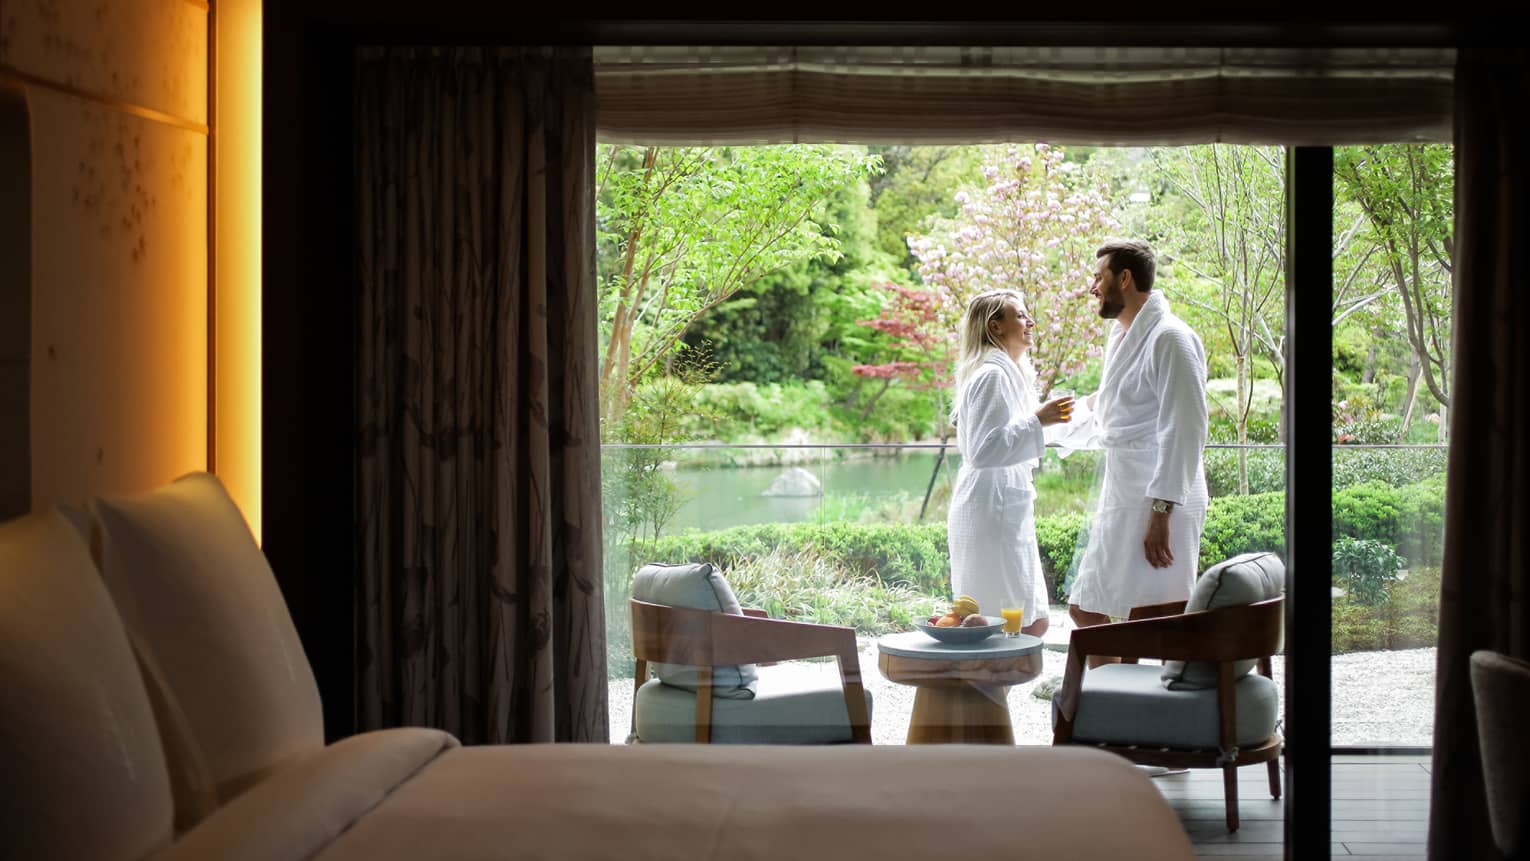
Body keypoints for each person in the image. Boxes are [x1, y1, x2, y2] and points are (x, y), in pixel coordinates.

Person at [1058, 239, 1210, 662]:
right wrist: (1048, 420)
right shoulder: (1122, 335)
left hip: (1162, 495)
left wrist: (1161, 511)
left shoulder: (1171, 338)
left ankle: (1161, 700)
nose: (1092, 287)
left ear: (1124, 279)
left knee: (1155, 615)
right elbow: (1114, 406)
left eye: (1098, 277)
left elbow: (1186, 427)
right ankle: (1110, 698)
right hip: (1127, 488)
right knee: (1090, 607)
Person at [947, 289, 1074, 637]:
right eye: (1019, 315)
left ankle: (989, 690)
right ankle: (983, 689)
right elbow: (984, 450)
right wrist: (1039, 420)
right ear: (995, 326)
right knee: (1004, 623)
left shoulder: (1009, 374)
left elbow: (1018, 435)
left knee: (1029, 620)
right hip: (990, 510)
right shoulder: (992, 375)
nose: (1030, 321)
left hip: (1002, 508)